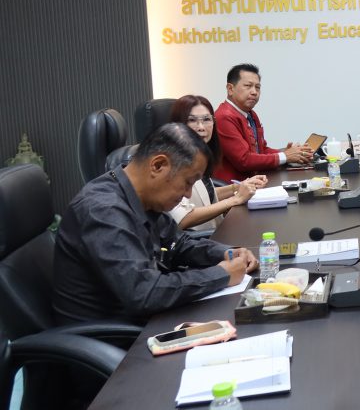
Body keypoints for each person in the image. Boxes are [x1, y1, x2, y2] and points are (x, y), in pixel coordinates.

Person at [53, 123, 257, 324]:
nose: (188, 194)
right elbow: (143, 292)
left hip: (145, 319)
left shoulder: (142, 197)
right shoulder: (103, 210)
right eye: (188, 182)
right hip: (114, 334)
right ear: (158, 165)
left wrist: (225, 253)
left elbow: (178, 244)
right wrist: (221, 274)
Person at [168, 94, 268, 231]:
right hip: (197, 240)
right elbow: (183, 218)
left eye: (206, 119)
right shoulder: (171, 163)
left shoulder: (199, 156)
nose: (201, 127)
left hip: (217, 233)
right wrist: (236, 199)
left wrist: (238, 187)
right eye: (192, 120)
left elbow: (203, 195)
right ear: (178, 124)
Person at [213, 63, 312, 182]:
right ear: (230, 89)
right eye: (248, 86)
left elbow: (261, 150)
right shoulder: (224, 117)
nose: (254, 92)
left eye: (257, 87)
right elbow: (244, 160)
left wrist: (287, 153)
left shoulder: (250, 114)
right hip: (235, 187)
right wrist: (285, 156)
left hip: (255, 181)